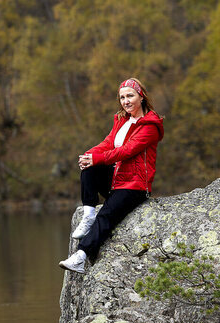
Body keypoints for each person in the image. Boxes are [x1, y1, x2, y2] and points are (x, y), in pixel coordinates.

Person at [59, 78, 164, 274]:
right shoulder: (121, 120)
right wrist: (89, 155)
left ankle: (80, 257)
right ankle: (89, 213)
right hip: (117, 179)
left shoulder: (150, 126)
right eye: (122, 97)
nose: (126, 101)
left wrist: (96, 158)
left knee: (106, 215)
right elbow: (108, 143)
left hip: (135, 186)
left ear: (141, 97)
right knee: (89, 167)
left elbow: (126, 151)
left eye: (130, 96)